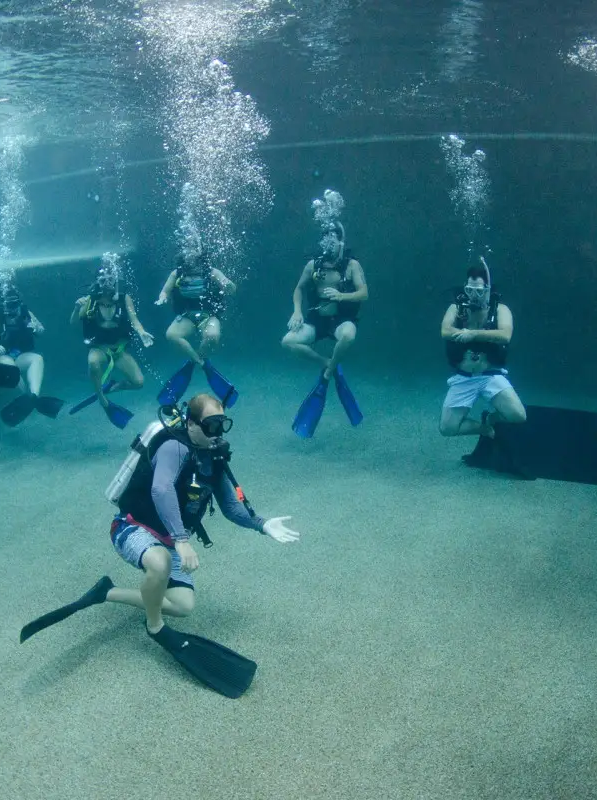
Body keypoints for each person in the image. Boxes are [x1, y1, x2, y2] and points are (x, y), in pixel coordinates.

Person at [21, 394, 300, 697]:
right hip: (132, 528)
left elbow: (232, 508)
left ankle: (106, 592)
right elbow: (161, 488)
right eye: (210, 425)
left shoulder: (213, 457)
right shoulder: (173, 447)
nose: (217, 433)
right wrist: (181, 541)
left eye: (223, 424)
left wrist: (262, 524)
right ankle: (155, 627)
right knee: (159, 565)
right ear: (191, 423)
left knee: (183, 605)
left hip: (167, 539)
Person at [438, 259, 530, 478]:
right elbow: (444, 330)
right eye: (469, 289)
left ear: (487, 288)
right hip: (464, 377)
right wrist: (464, 330)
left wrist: (474, 334)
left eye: (478, 290)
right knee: (447, 429)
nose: (473, 295)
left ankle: (492, 418)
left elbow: (505, 334)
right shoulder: (457, 307)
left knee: (518, 415)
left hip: (490, 376)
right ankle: (485, 428)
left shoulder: (501, 309)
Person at [283, 220, 368, 437]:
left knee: (348, 336)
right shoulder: (313, 265)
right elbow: (299, 289)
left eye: (334, 241)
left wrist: (341, 296)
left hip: (342, 319)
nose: (330, 247)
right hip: (317, 320)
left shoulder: (352, 265)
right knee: (288, 341)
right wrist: (297, 312)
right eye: (326, 242)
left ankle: (328, 373)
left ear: (341, 242)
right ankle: (327, 364)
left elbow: (363, 293)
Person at [154, 239, 240, 409]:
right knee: (171, 334)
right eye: (187, 249)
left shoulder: (211, 271)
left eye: (194, 249)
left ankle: (194, 362)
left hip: (209, 314)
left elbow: (229, 285)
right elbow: (166, 289)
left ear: (201, 253)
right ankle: (200, 362)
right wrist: (162, 297)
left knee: (212, 336)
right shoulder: (177, 273)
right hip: (187, 315)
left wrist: (229, 285)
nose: (190, 253)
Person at [67, 265, 154, 428]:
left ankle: (111, 387)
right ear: (97, 281)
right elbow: (73, 322)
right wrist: (76, 307)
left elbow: (134, 320)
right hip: (99, 348)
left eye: (110, 279)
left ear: (115, 280)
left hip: (119, 350)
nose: (106, 283)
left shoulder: (124, 298)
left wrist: (142, 332)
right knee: (93, 362)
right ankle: (102, 399)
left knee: (138, 382)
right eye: (103, 279)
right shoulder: (90, 300)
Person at [0, 283, 64, 427]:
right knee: (9, 365)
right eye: (8, 305)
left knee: (37, 358)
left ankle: (34, 397)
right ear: (3, 305)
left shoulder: (25, 313)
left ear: (19, 303)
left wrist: (35, 328)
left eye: (14, 305)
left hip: (17, 357)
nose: (12, 309)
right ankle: (26, 397)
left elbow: (41, 330)